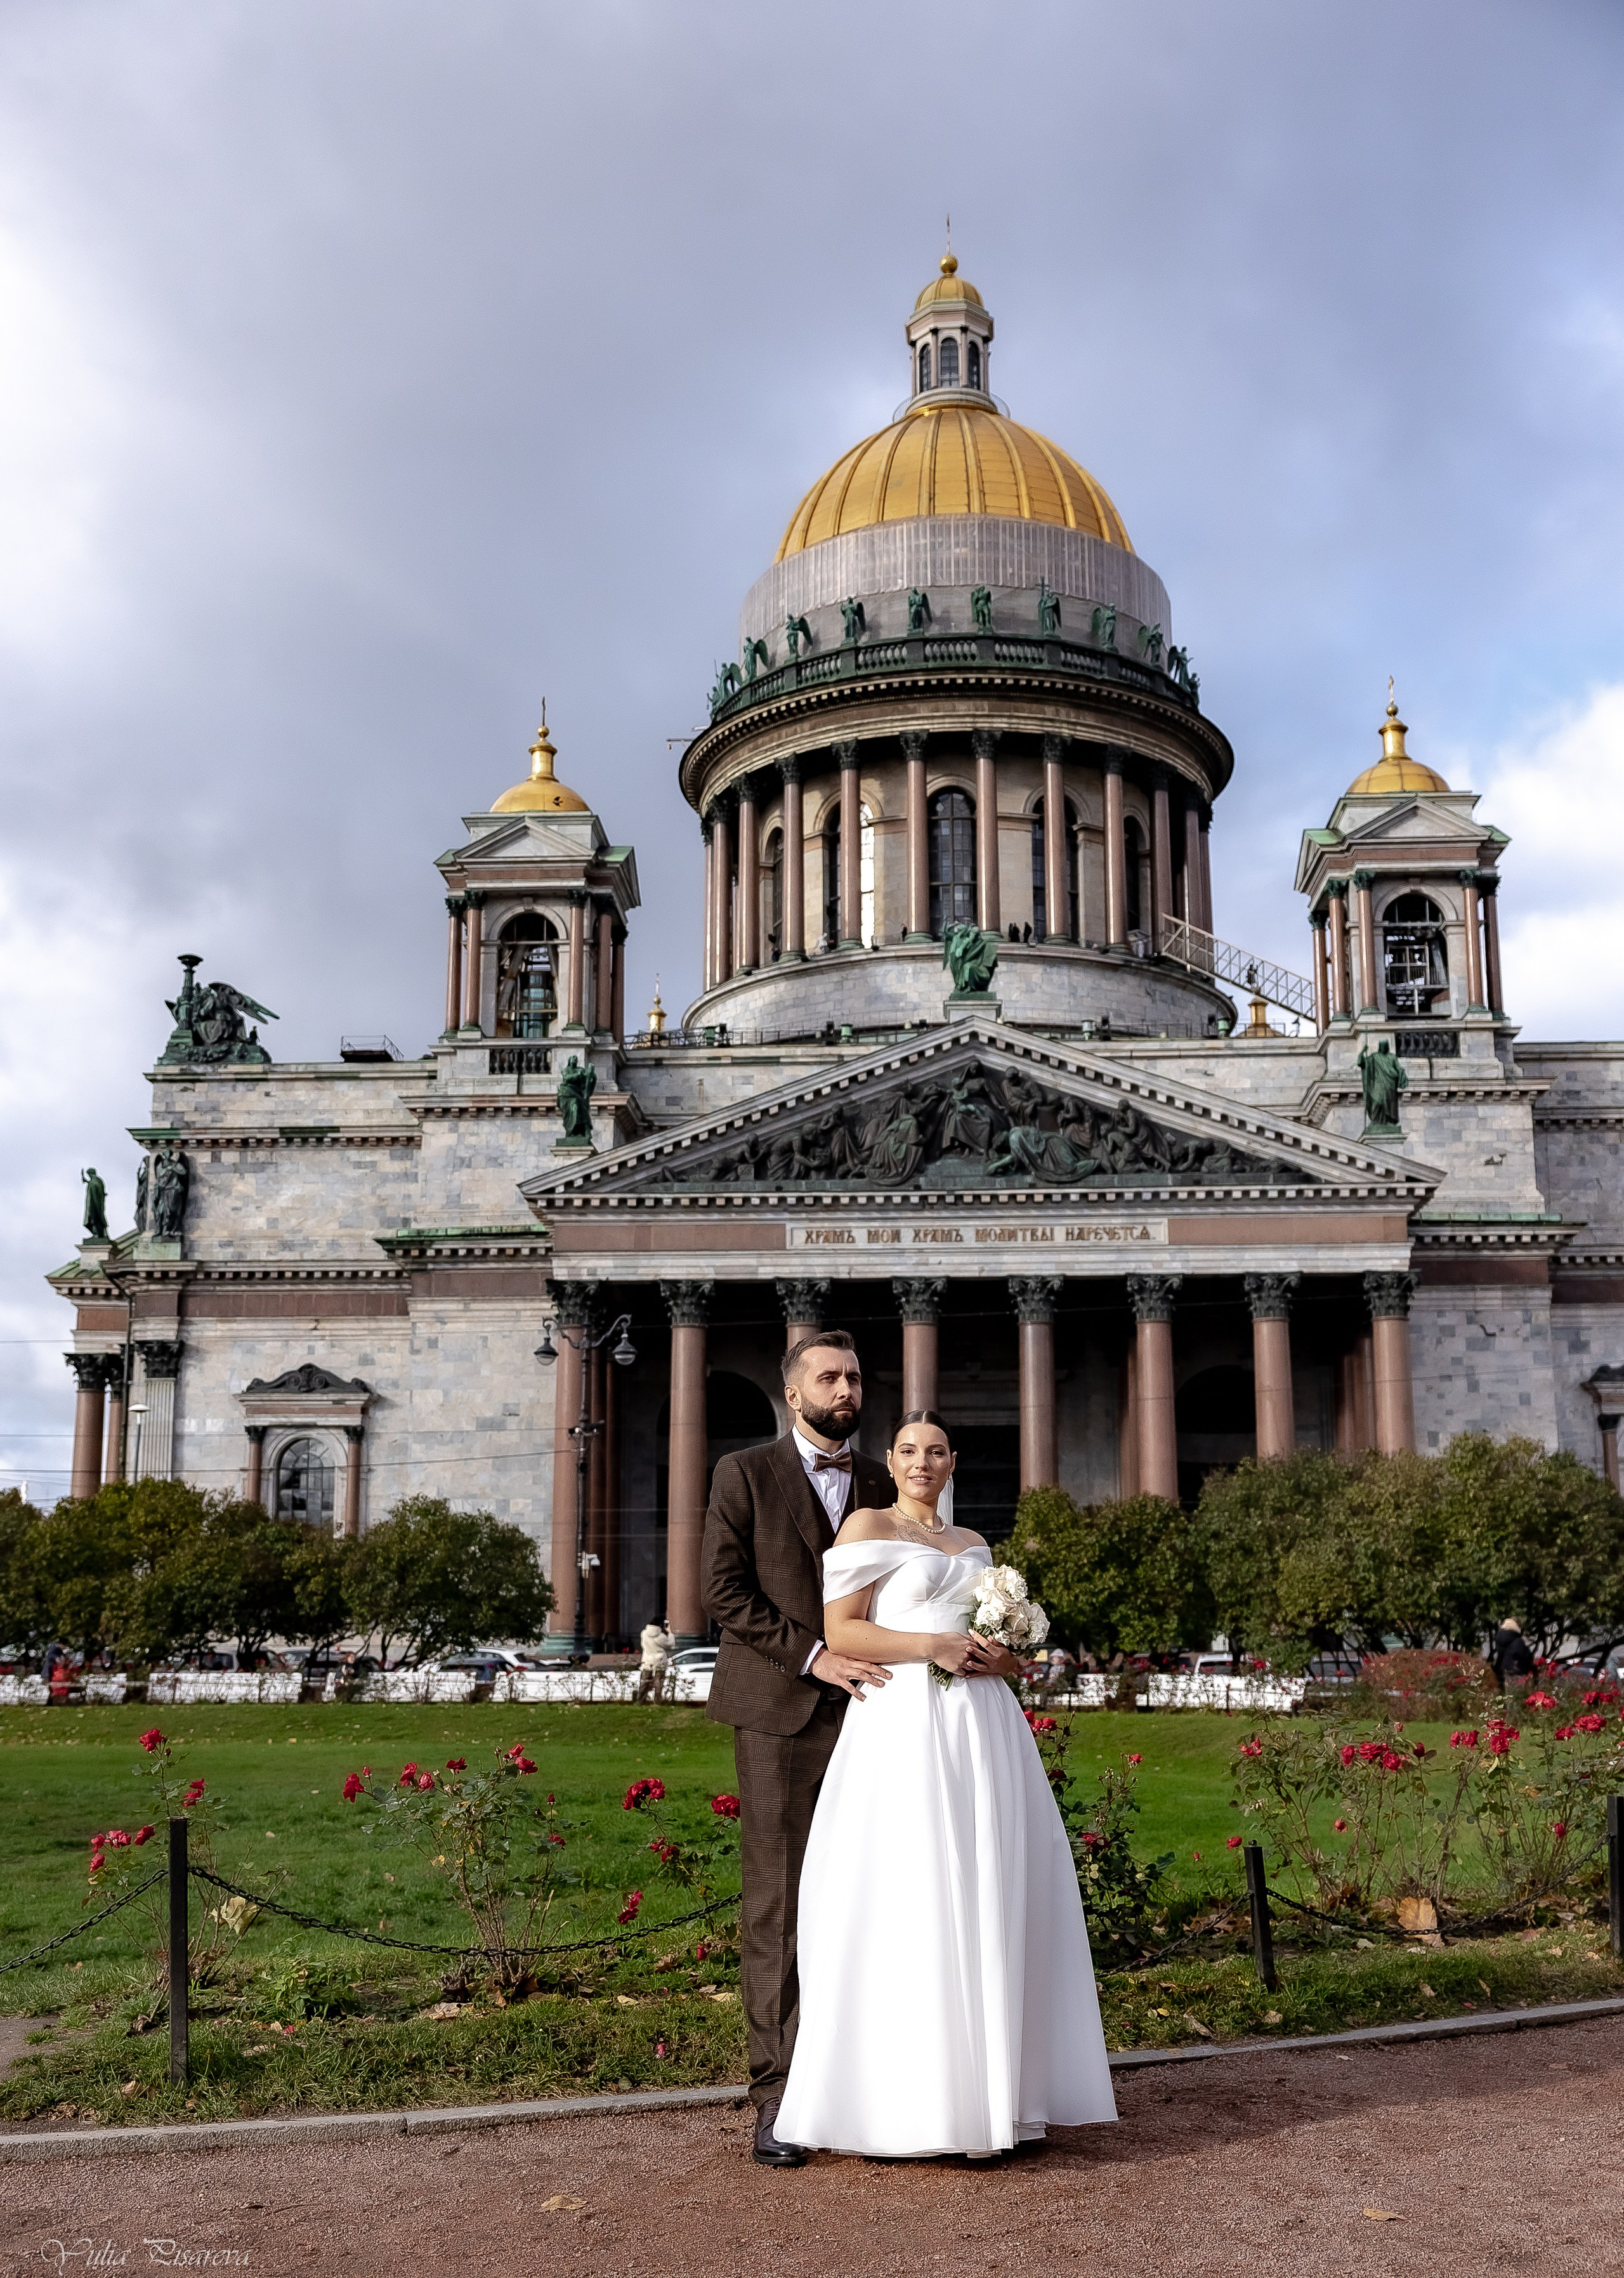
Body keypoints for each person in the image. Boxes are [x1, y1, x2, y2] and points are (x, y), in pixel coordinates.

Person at [775, 1409, 1117, 2162]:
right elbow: (844, 1634)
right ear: (890, 1462)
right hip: (903, 1725)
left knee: (990, 1887)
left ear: (953, 1462)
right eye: (907, 1451)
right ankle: (910, 2104)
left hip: (983, 1725)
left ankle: (991, 2102)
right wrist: (929, 1644)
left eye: (935, 1452)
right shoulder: (865, 1527)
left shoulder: (974, 1546)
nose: (921, 1462)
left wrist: (1005, 1659)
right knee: (914, 1889)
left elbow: (1002, 1651)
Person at [700, 1330, 893, 2168]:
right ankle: (777, 2094)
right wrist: (816, 1655)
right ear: (793, 1390)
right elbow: (725, 1591)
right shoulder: (744, 1471)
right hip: (782, 1711)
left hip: (878, 1717)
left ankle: (863, 2078)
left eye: (853, 1375)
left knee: (869, 1900)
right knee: (780, 1908)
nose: (845, 1387)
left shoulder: (883, 1481)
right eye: (829, 1375)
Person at [1491, 1617, 1535, 1693]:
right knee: (1518, 1695)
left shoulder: (1499, 1639)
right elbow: (1525, 1655)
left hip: (1503, 1670)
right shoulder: (1517, 1640)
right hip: (1517, 1671)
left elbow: (1501, 1655)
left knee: (1506, 1695)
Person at [638, 1616, 674, 1701]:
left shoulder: (644, 1633)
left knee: (645, 1681)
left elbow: (643, 1645)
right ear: (661, 1625)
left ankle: (640, 1700)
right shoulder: (661, 1636)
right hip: (660, 1661)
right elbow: (671, 1644)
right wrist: (670, 1633)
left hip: (647, 1660)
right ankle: (658, 1700)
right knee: (659, 1681)